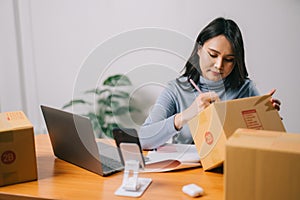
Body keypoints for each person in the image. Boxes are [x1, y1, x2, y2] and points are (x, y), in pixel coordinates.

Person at [139, 17, 281, 150]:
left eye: (229, 59)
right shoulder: (176, 89)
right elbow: (143, 138)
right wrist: (187, 115)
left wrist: (268, 120)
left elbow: (267, 144)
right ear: (199, 49)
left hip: (229, 169)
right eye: (213, 55)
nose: (219, 65)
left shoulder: (246, 89)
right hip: (185, 173)